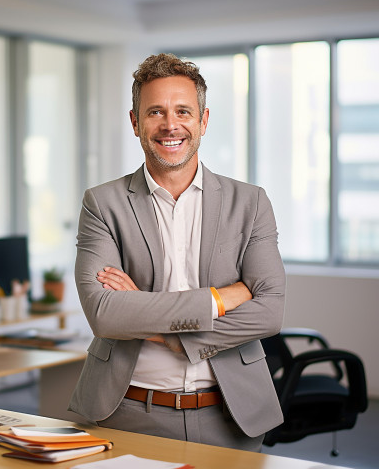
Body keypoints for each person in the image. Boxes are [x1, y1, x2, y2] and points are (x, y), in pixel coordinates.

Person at [69, 53, 286, 452]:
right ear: (135, 122)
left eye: (183, 111)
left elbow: (269, 312)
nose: (171, 125)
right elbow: (103, 313)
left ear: (203, 121)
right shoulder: (102, 204)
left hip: (230, 413)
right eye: (155, 112)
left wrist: (161, 328)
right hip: (127, 411)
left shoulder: (250, 202)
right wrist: (222, 298)